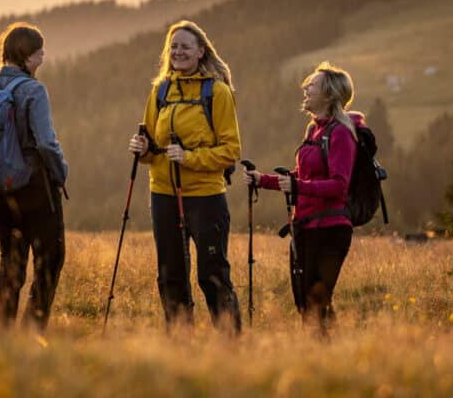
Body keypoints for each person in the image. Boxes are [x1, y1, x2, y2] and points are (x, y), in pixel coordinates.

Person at [128, 20, 242, 332]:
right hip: (163, 193)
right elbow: (152, 146)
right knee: (170, 274)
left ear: (201, 52)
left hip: (205, 197)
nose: (178, 52)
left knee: (212, 273)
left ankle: (231, 346)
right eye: (173, 47)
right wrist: (142, 149)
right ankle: (180, 343)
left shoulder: (217, 92)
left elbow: (231, 150)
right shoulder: (160, 90)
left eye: (185, 47)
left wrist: (189, 158)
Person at [0, 22, 68, 330]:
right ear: (30, 57)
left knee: (11, 264)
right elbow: (46, 142)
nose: (44, 57)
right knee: (49, 260)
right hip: (36, 188)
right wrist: (61, 173)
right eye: (41, 52)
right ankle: (33, 334)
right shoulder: (34, 90)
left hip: (2, 191)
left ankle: (0, 335)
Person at [241, 62, 362, 333]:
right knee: (303, 302)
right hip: (306, 227)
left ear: (329, 95)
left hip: (330, 230)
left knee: (316, 302)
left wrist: (296, 187)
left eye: (312, 85)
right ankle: (323, 354)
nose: (305, 88)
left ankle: (329, 356)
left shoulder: (341, 133)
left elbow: (338, 186)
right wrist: (264, 180)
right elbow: (303, 176)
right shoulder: (314, 130)